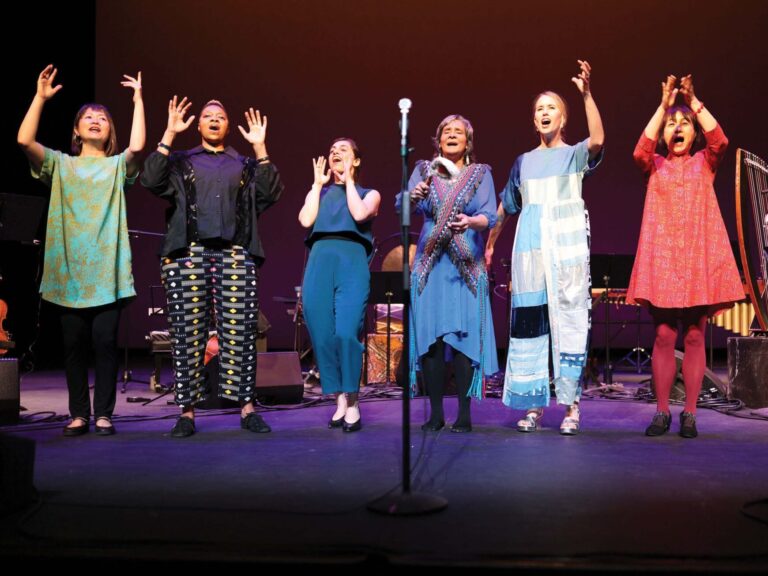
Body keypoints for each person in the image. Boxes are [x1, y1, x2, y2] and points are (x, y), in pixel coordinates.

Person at [141, 96, 284, 437]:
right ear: (199, 125)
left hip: (235, 253)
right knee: (187, 334)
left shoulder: (246, 165)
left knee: (242, 334)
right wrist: (168, 135)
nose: (214, 120)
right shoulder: (180, 161)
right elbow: (149, 180)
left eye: (220, 116)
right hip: (188, 254)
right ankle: (187, 413)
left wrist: (261, 147)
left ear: (228, 124)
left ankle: (247, 408)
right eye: (208, 116)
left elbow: (272, 192)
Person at [17, 64, 145, 436]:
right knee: (73, 346)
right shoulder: (60, 164)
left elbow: (137, 146)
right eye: (87, 117)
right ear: (76, 130)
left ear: (108, 131)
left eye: (102, 118)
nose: (94, 120)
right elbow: (24, 142)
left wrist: (138, 100)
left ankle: (103, 414)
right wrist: (39, 99)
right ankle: (78, 414)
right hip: (70, 271)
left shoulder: (118, 167)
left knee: (104, 343)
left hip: (106, 271)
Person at [485, 60, 604, 435]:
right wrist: (490, 246)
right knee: (529, 325)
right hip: (530, 250)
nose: (544, 112)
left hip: (565, 249)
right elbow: (507, 207)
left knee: (568, 323)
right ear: (534, 121)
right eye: (539, 109)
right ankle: (534, 404)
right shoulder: (523, 162)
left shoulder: (574, 155)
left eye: (551, 107)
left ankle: (571, 407)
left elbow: (598, 139)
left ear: (563, 118)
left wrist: (586, 94)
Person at [626, 74, 743, 438]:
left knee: (694, 336)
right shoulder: (655, 165)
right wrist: (663, 108)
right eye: (671, 126)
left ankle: (689, 413)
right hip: (662, 260)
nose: (677, 129)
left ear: (693, 133)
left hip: (696, 259)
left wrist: (693, 103)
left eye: (684, 125)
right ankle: (662, 411)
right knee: (663, 336)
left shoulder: (704, 164)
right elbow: (638, 151)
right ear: (664, 133)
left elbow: (721, 139)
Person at [396, 114, 498, 433]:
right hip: (430, 266)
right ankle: (436, 413)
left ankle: (464, 414)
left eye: (459, 132)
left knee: (465, 335)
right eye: (446, 132)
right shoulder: (423, 171)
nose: (452, 135)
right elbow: (404, 206)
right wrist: (411, 197)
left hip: (466, 266)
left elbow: (489, 216)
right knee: (431, 339)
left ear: (468, 141)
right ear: (438, 140)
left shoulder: (481, 174)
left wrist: (470, 222)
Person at [299, 138, 380, 432]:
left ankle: (354, 400)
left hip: (351, 262)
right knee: (321, 334)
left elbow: (359, 214)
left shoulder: (369, 194)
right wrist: (317, 185)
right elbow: (305, 219)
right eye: (332, 149)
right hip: (319, 260)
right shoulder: (320, 192)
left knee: (347, 333)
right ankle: (339, 400)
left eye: (343, 150)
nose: (335, 153)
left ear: (356, 161)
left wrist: (347, 181)